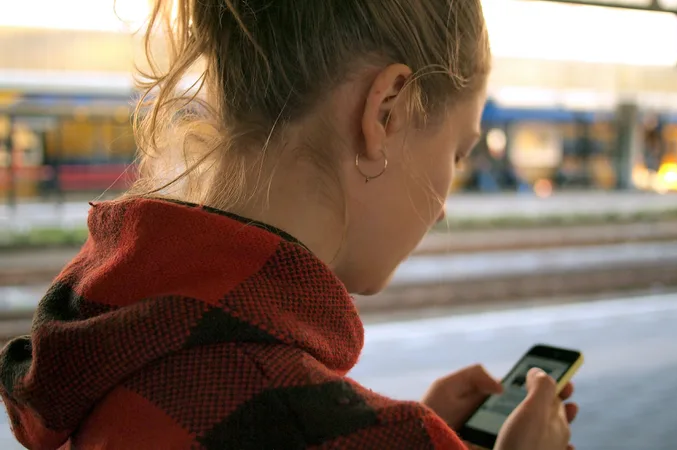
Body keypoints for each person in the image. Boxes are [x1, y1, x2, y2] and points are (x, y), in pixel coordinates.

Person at [0, 1, 578, 449]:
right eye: (457, 152)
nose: (444, 202)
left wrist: (367, 421)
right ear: (387, 111)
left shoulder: (107, 338)